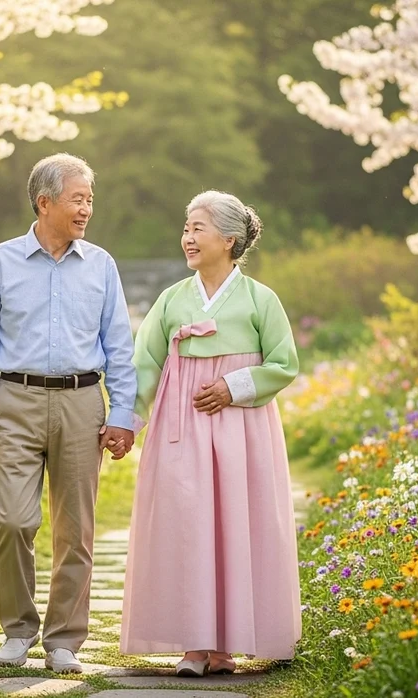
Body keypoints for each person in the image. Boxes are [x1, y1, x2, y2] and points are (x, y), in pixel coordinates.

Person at [0, 153, 138, 674]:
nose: (86, 209)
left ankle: (64, 640)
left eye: (89, 199)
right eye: (77, 199)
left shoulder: (101, 265)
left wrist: (122, 413)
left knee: (75, 529)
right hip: (15, 399)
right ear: (45, 202)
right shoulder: (0, 261)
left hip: (83, 402)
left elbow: (119, 347)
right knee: (13, 519)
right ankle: (17, 631)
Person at [120, 190, 302, 676]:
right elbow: (145, 365)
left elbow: (284, 364)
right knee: (187, 523)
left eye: (198, 228)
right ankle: (194, 645)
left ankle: (227, 645)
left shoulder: (262, 299)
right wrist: (127, 423)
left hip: (242, 430)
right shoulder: (171, 300)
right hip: (182, 427)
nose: (187, 237)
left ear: (230, 239)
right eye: (186, 228)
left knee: (237, 523)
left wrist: (233, 386)